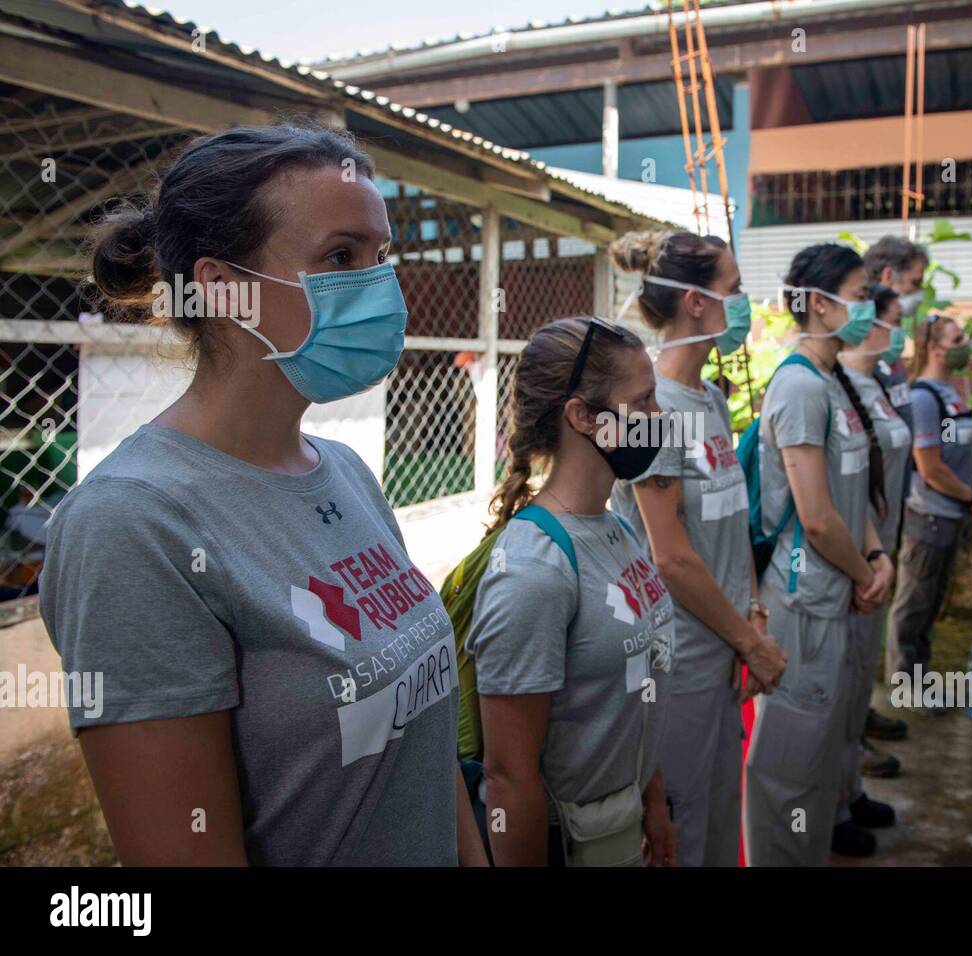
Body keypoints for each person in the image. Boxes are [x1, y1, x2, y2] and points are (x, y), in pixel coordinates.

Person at [37, 125, 484, 866]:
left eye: (381, 259)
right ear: (221, 284)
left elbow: (428, 759)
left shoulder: (346, 472)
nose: (379, 288)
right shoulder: (132, 525)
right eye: (341, 257)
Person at [467, 316, 678, 867]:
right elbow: (508, 780)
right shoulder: (534, 569)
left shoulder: (618, 529)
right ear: (583, 416)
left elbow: (639, 689)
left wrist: (654, 804)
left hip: (622, 828)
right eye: (645, 400)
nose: (661, 418)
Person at [607, 230, 786, 867]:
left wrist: (753, 611)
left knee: (716, 813)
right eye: (733, 290)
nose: (743, 303)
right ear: (696, 303)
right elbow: (671, 557)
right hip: (676, 660)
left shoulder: (710, 399)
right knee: (677, 822)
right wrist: (751, 641)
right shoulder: (652, 410)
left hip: (723, 646)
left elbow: (729, 528)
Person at [744, 243, 889, 866]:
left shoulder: (831, 383)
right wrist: (866, 572)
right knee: (788, 762)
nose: (869, 309)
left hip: (835, 592)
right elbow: (817, 516)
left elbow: (851, 496)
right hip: (802, 596)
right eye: (859, 296)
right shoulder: (801, 387)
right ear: (822, 306)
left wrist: (877, 557)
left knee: (818, 751)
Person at [886, 315, 972, 703]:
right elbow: (931, 468)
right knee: (913, 606)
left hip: (953, 514)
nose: (966, 343)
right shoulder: (923, 398)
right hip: (929, 516)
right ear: (935, 348)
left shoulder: (953, 392)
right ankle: (905, 687)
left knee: (929, 606)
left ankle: (921, 681)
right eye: (958, 337)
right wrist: (969, 496)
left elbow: (960, 453)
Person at [839, 283, 912, 783]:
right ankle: (844, 774)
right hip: (853, 557)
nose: (895, 330)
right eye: (889, 319)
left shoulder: (881, 383)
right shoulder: (835, 385)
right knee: (841, 671)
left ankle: (848, 779)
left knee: (863, 662)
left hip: (882, 547)